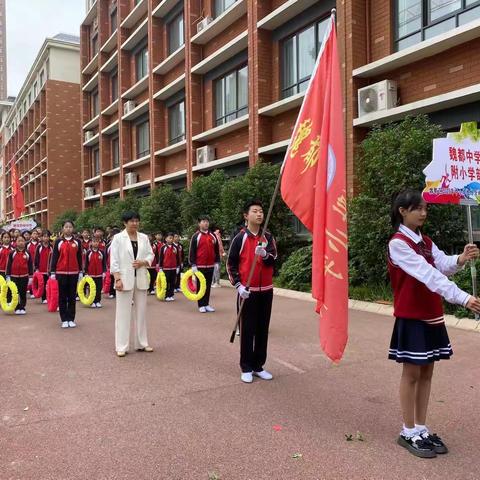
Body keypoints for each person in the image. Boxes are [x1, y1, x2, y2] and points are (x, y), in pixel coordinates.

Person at [388, 189, 480, 458]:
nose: (424, 213)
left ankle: (421, 427)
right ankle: (408, 431)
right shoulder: (398, 244)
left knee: (427, 373)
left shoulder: (425, 241)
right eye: (418, 208)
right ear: (403, 211)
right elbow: (427, 274)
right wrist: (462, 298)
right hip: (412, 315)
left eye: (426, 208)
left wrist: (461, 259)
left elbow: (441, 264)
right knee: (412, 373)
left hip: (432, 313)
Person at [227, 200, 277, 384]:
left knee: (263, 329)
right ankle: (246, 366)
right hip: (247, 291)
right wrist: (238, 285)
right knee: (247, 330)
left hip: (266, 290)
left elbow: (274, 259)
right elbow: (230, 264)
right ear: (246, 216)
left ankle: (258, 366)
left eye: (261, 211)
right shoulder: (240, 238)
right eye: (255, 211)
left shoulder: (268, 237)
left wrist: (265, 256)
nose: (259, 214)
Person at [110, 211, 155, 357]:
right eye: (131, 221)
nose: (135, 223)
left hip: (141, 278)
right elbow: (114, 260)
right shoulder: (118, 238)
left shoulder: (144, 238)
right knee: (123, 313)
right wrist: (117, 278)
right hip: (124, 279)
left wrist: (144, 262)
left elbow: (151, 254)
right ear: (125, 222)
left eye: (137, 221)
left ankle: (142, 343)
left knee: (141, 312)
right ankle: (121, 346)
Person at [50, 220, 83, 329]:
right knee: (63, 296)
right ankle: (64, 319)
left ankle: (71, 318)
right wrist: (53, 272)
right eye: (66, 227)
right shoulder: (58, 242)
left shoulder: (77, 242)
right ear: (62, 229)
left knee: (72, 296)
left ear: (73, 229)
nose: (68, 229)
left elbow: (79, 258)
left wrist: (81, 271)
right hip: (61, 272)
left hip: (74, 273)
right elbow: (54, 257)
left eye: (70, 227)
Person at [189, 216, 220, 313]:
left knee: (207, 285)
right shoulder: (196, 236)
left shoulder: (213, 236)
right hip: (199, 266)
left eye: (207, 222)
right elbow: (192, 251)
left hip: (210, 265)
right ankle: (201, 305)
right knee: (200, 285)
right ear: (199, 224)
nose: (206, 223)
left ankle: (206, 304)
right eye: (203, 221)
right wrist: (193, 264)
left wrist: (217, 262)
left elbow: (216, 250)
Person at [6, 235, 33, 315]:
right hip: (14, 276)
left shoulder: (27, 253)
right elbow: (9, 265)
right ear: (15, 242)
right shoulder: (12, 253)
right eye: (19, 241)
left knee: (23, 292)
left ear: (25, 242)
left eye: (22, 241)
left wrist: (31, 276)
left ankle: (22, 307)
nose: (21, 242)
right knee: (15, 293)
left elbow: (30, 265)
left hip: (24, 276)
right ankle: (17, 307)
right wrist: (8, 275)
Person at [84, 237, 107, 308]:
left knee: (98, 288)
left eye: (97, 242)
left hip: (99, 274)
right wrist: (86, 272)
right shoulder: (88, 252)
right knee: (91, 288)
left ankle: (98, 301)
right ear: (91, 243)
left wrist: (104, 272)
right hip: (91, 274)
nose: (95, 243)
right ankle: (92, 301)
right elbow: (86, 263)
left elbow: (104, 263)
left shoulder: (101, 252)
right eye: (94, 242)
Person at [158, 233, 181, 301]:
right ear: (166, 239)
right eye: (169, 238)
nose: (171, 239)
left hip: (174, 268)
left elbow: (178, 258)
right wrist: (160, 267)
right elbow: (161, 258)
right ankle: (166, 295)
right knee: (166, 282)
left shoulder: (175, 248)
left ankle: (171, 295)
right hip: (166, 268)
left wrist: (178, 267)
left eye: (172, 238)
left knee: (172, 282)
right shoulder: (163, 247)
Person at [34, 230, 53, 304]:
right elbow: (36, 258)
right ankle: (44, 297)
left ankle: (49, 297)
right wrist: (36, 268)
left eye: (47, 236)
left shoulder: (51, 247)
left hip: (49, 269)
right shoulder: (39, 247)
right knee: (43, 284)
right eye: (44, 236)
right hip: (41, 269)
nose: (46, 238)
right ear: (41, 238)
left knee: (49, 284)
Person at [26, 229, 40, 298]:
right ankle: (32, 292)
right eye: (33, 234)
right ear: (31, 235)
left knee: (37, 278)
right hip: (30, 264)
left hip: (38, 264)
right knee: (31, 278)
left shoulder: (40, 244)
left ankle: (38, 291)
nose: (35, 235)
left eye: (36, 234)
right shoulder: (28, 244)